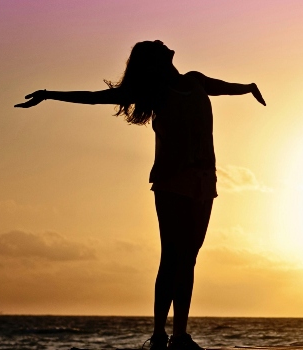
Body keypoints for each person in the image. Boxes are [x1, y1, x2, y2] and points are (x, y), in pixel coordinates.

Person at [15, 40, 266, 350]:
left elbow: (225, 87)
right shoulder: (156, 92)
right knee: (172, 257)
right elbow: (96, 98)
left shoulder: (195, 80)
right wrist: (49, 94)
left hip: (205, 180)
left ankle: (181, 336)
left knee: (189, 259)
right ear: (155, 61)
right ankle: (160, 334)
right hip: (172, 180)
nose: (164, 44)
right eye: (156, 46)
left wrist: (249, 87)